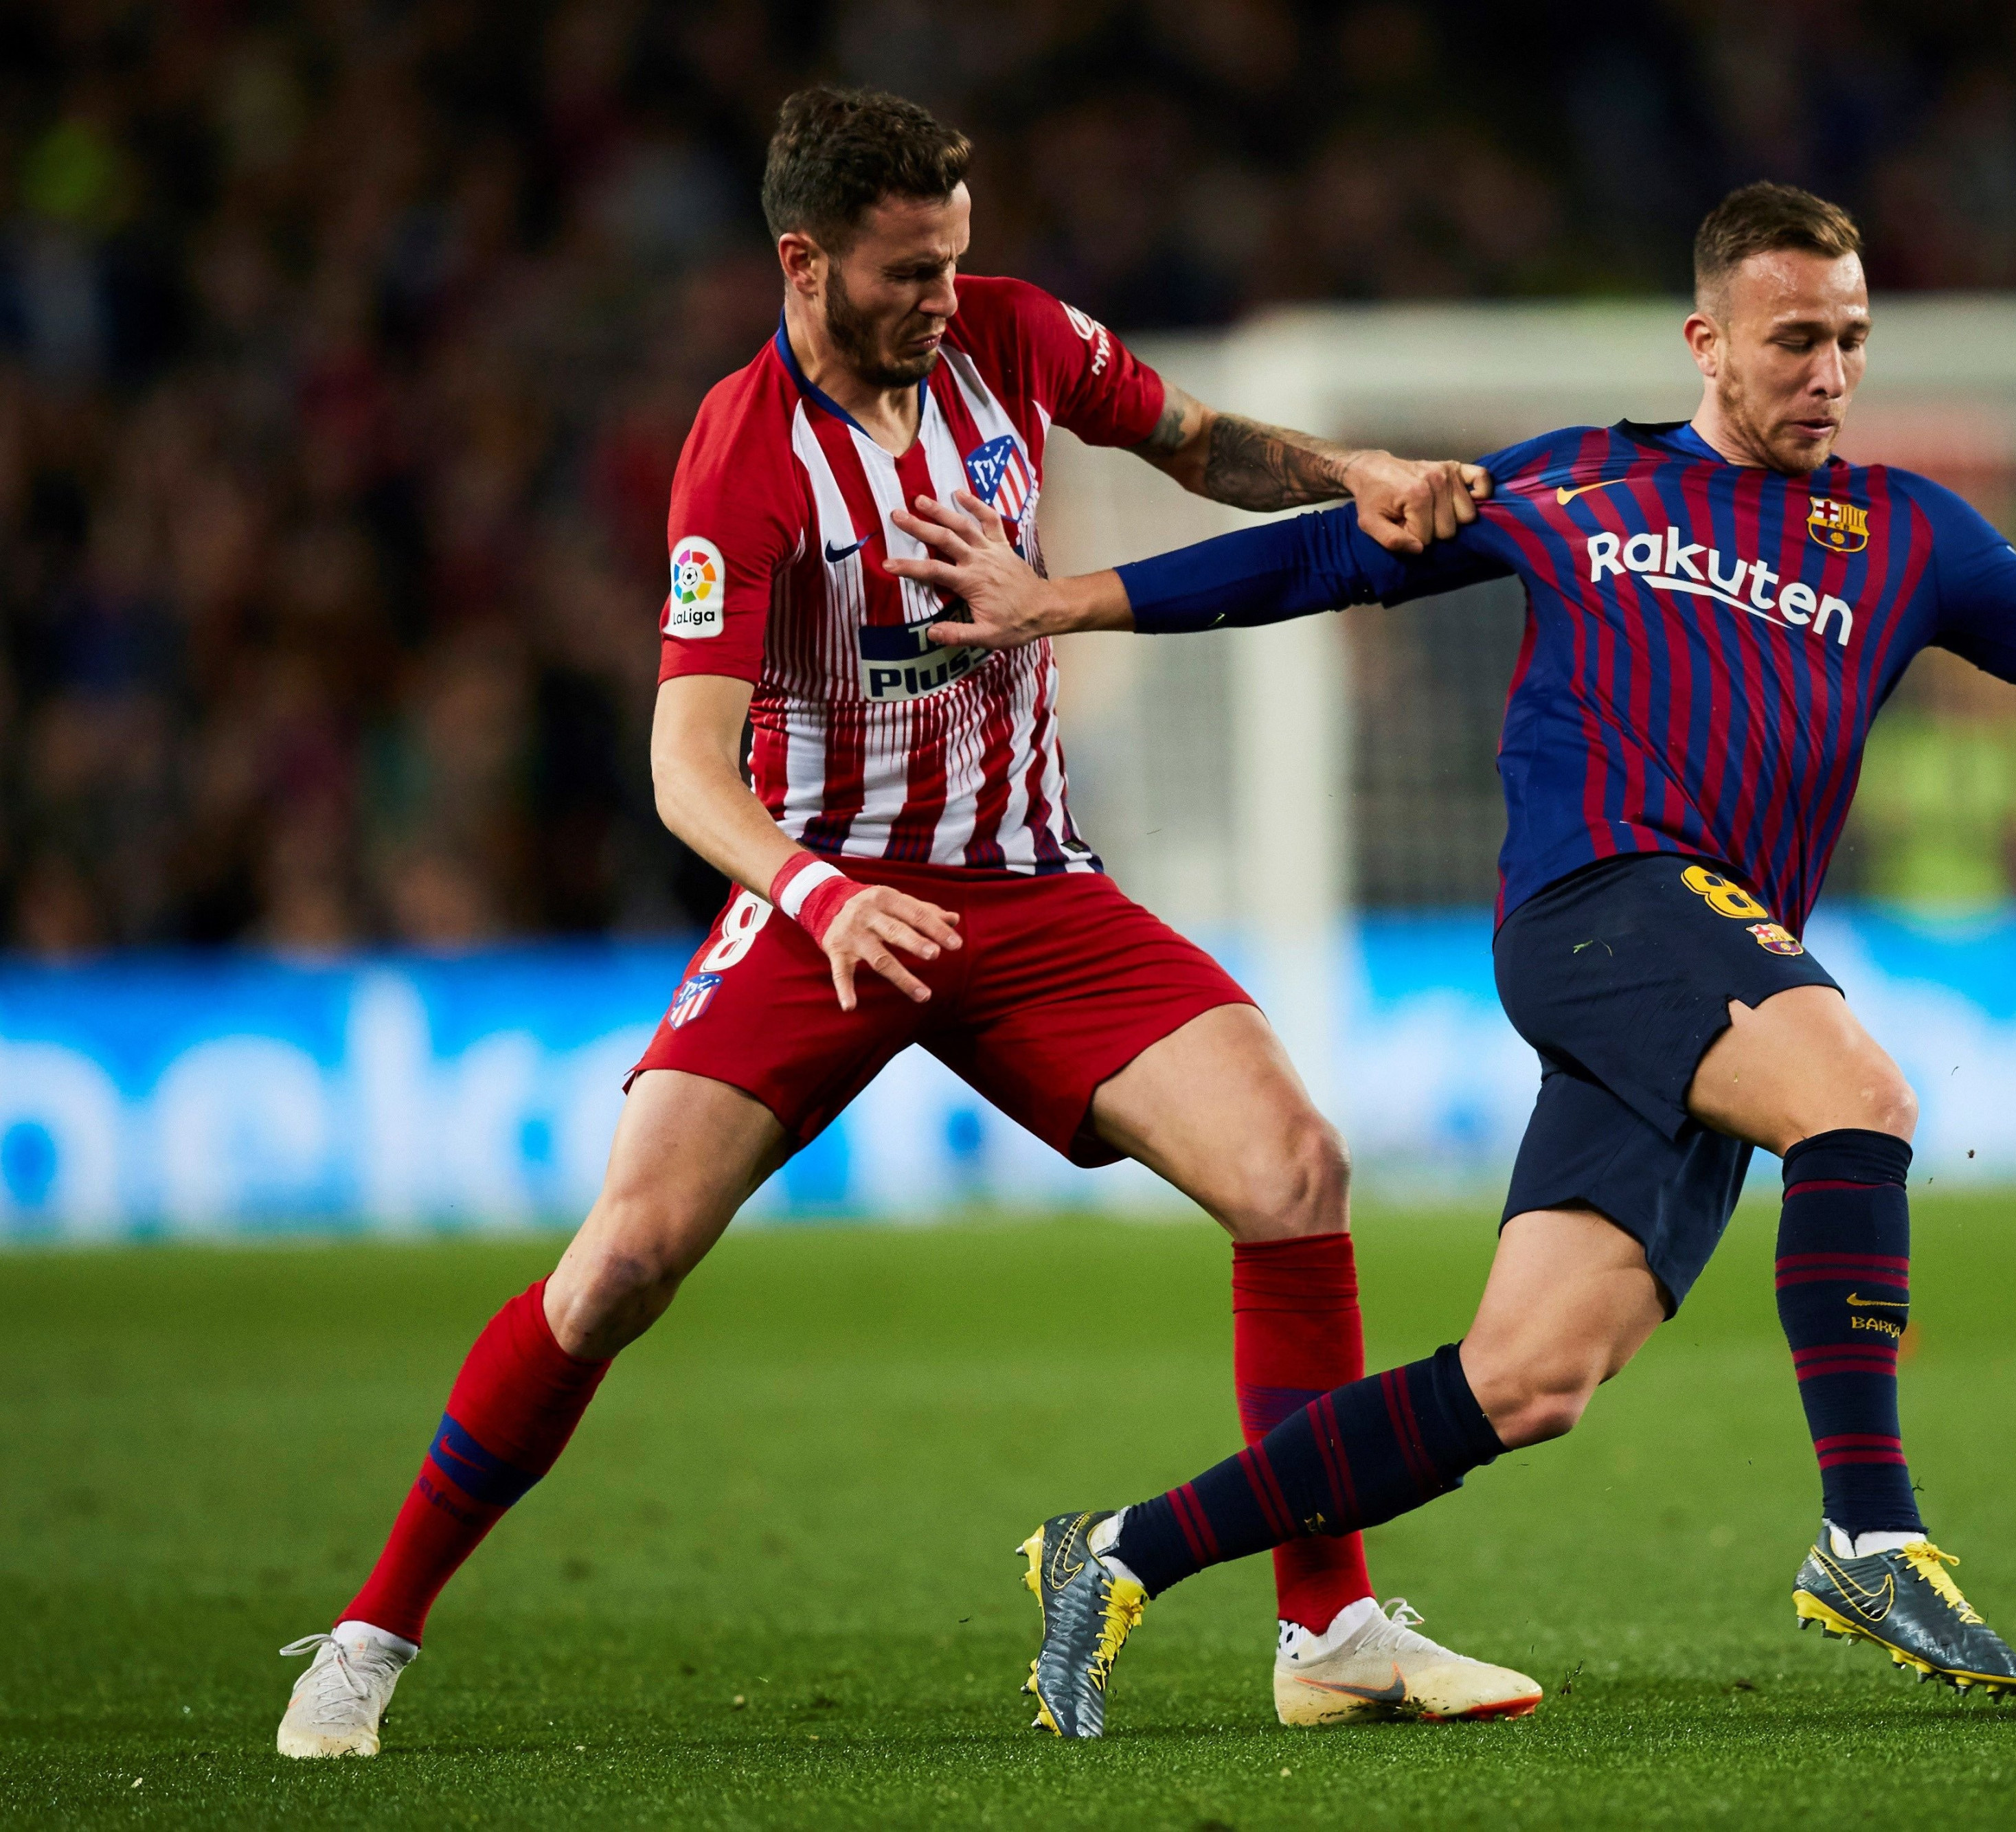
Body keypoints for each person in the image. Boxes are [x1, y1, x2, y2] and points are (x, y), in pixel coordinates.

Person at [883, 181, 2016, 1737]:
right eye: (1791, 341)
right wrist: (1058, 602)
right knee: (1858, 1096)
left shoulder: (1908, 536)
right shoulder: (1573, 484)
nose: (1826, 374)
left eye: (1849, 342)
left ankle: (1116, 1549)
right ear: (1705, 340)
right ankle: (1868, 1532)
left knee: (1527, 1374)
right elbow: (1326, 563)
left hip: (1707, 956)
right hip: (1596, 902)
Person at [272, 85, 1540, 1760]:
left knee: (1292, 1169)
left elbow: (1194, 442)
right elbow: (681, 767)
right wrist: (817, 892)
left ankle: (1330, 1626)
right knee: (624, 1260)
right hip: (822, 897)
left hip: (1031, 886)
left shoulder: (1011, 337)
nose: (943, 297)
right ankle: (368, 1635)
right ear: (803, 262)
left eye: (954, 258)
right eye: (905, 271)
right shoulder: (742, 454)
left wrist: (1353, 473)